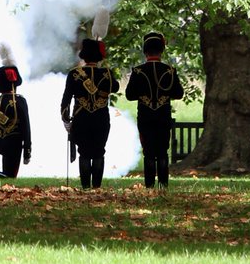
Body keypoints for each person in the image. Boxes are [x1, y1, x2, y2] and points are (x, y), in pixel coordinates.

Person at [125, 31, 185, 189]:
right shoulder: (170, 71)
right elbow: (178, 93)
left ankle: (149, 187)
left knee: (149, 152)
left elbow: (130, 95)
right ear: (161, 50)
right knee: (163, 152)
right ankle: (163, 186)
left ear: (145, 51)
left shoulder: (138, 71)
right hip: (163, 116)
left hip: (145, 117)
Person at [60, 37, 119, 189]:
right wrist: (105, 72)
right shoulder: (106, 73)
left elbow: (66, 101)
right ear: (99, 56)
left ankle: (86, 188)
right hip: (101, 118)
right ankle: (96, 188)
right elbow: (116, 87)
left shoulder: (74, 74)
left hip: (81, 118)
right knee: (99, 152)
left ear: (84, 56)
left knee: (84, 153)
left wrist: (66, 119)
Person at [0, 45, 31, 178]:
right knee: (10, 176)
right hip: (13, 143)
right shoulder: (20, 101)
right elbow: (26, 128)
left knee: (7, 176)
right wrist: (27, 149)